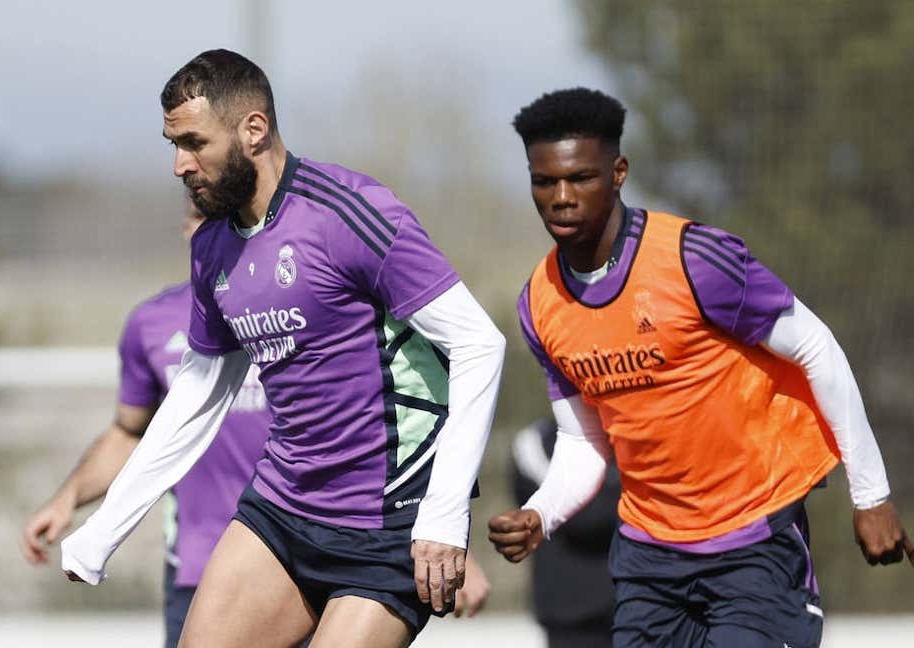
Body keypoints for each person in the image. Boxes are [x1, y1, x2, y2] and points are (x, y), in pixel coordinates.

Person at [59, 49, 506, 648]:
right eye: (173, 144)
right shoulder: (212, 246)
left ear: (253, 129)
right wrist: (107, 527)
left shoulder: (348, 213)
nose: (179, 165)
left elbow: (480, 343)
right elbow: (198, 394)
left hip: (386, 522)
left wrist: (445, 516)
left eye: (194, 142)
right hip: (283, 507)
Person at [488, 87, 913, 648]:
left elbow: (817, 347)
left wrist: (872, 494)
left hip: (754, 541)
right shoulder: (539, 305)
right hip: (648, 555)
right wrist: (542, 512)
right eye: (545, 181)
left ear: (617, 173)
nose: (561, 197)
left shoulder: (693, 260)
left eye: (581, 178)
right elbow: (583, 438)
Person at [19, 204, 271, 648]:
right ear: (189, 227)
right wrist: (68, 498)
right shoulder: (151, 323)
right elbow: (129, 434)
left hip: (293, 560)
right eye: (201, 217)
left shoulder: (295, 307)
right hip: (197, 571)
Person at [511, 417, 619, 648]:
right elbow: (585, 518)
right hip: (571, 615)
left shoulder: (631, 436)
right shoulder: (535, 443)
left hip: (637, 607)